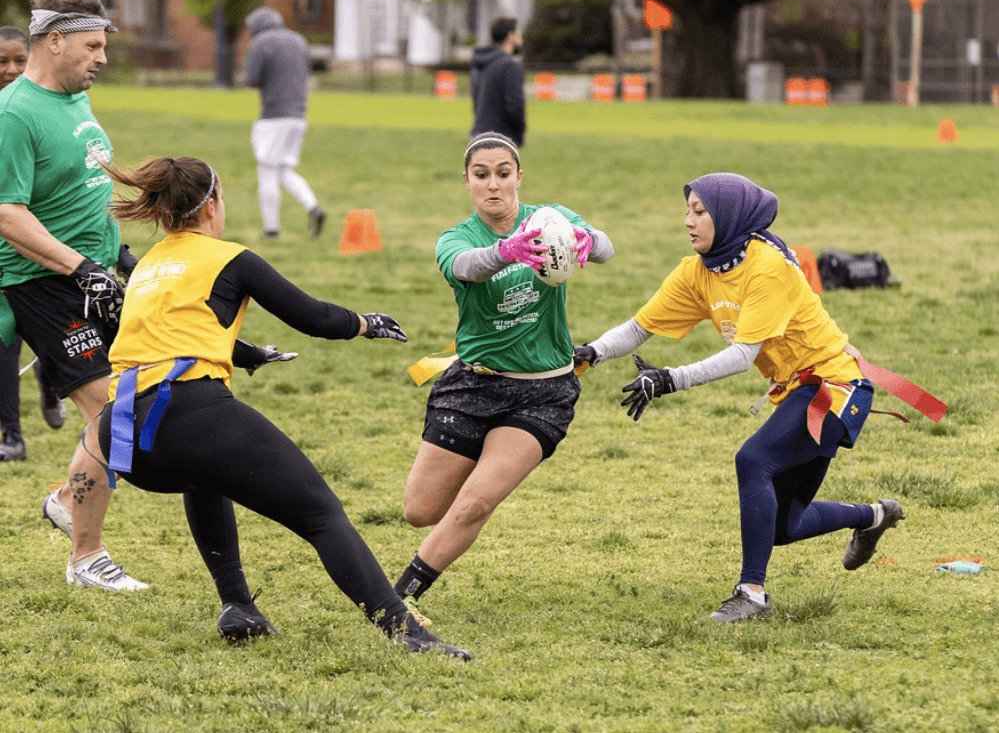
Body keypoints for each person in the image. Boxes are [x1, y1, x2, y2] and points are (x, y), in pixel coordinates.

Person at [86, 155, 469, 658]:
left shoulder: (149, 266)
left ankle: (237, 607)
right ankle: (407, 632)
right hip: (186, 415)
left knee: (207, 472)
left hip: (125, 437)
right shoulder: (229, 257)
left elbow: (165, 335)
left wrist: (247, 355)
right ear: (213, 204)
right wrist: (365, 322)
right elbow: (312, 316)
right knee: (321, 515)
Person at [574, 172, 908, 624]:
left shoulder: (766, 266)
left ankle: (751, 594)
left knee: (752, 460)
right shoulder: (699, 270)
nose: (687, 221)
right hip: (797, 392)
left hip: (835, 389)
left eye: (699, 212)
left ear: (728, 217)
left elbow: (742, 354)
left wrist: (671, 379)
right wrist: (592, 352)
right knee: (782, 528)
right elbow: (638, 329)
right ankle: (872, 516)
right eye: (687, 210)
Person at [392, 132, 614, 622]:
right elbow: (467, 267)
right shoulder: (456, 238)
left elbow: (607, 249)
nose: (493, 185)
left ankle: (399, 599)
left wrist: (587, 241)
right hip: (473, 385)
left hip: (543, 391)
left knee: (475, 503)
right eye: (481, 175)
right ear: (467, 181)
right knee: (420, 511)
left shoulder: (548, 219)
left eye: (503, 173)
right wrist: (509, 251)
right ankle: (473, 462)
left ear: (518, 177)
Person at [0, 0, 146, 589]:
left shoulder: (74, 100)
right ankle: (86, 559)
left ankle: (67, 495)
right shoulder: (14, 112)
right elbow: (8, 213)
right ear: (54, 41)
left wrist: (120, 257)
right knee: (112, 414)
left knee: (137, 404)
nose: (102, 59)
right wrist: (79, 268)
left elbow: (82, 192)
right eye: (92, 46)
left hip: (91, 277)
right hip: (42, 283)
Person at [0, 25, 66, 461]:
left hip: (40, 235)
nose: (9, 70)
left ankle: (50, 375)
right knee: (4, 341)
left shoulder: (38, 108)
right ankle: (12, 436)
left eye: (18, 60)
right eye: (0, 63)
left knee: (49, 335)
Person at [243, 6, 325, 239]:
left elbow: (251, 78)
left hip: (273, 117)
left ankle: (271, 229)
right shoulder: (299, 40)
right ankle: (313, 207)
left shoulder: (261, 43)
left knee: (267, 171)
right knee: (283, 169)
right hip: (299, 115)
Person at [470, 18, 526, 147]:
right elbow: (514, 105)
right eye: (518, 33)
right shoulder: (510, 65)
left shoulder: (480, 63)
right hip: (502, 136)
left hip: (478, 134)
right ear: (510, 36)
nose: (521, 37)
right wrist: (519, 133)